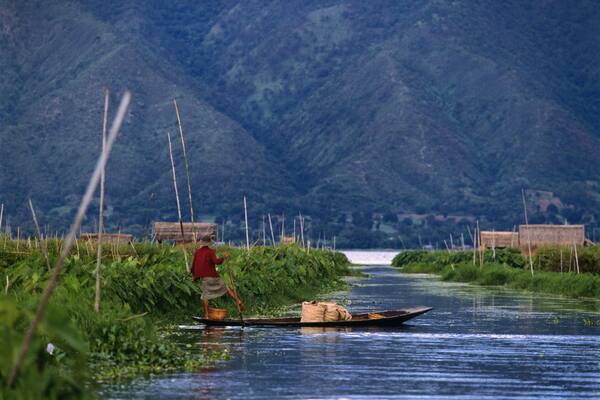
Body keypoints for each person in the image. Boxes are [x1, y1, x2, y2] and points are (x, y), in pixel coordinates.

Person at [191, 234, 244, 317]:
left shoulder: (197, 252)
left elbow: (194, 265)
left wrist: (194, 276)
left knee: (205, 295)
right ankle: (238, 301)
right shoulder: (211, 252)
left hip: (205, 278)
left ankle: (206, 315)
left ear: (202, 243)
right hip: (214, 276)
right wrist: (224, 257)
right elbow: (217, 262)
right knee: (227, 288)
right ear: (209, 243)